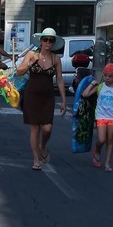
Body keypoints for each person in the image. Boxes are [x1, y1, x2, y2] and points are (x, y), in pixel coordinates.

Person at [15, 27, 66, 170]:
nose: (48, 42)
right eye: (45, 39)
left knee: (47, 128)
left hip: (48, 97)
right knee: (35, 128)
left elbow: (60, 80)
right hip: (32, 95)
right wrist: (31, 63)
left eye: (51, 40)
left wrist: (64, 100)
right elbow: (19, 71)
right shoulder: (32, 54)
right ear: (41, 41)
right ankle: (36, 159)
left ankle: (42, 146)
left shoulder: (56, 59)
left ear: (53, 43)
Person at [81, 62, 113, 172]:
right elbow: (85, 94)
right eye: (105, 75)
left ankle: (107, 163)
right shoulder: (100, 87)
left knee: (110, 141)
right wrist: (92, 84)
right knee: (101, 139)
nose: (107, 78)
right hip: (100, 116)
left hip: (112, 117)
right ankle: (97, 150)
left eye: (110, 76)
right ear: (103, 75)